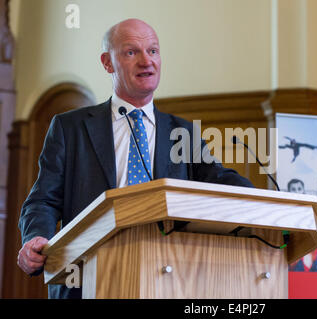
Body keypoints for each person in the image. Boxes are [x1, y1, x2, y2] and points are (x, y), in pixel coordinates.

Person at [16, 19, 253, 299]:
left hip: (169, 281)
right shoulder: (70, 128)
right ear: (107, 62)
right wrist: (36, 238)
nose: (146, 61)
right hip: (87, 280)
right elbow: (43, 199)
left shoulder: (183, 132)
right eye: (132, 52)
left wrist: (273, 206)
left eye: (153, 51)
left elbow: (219, 180)